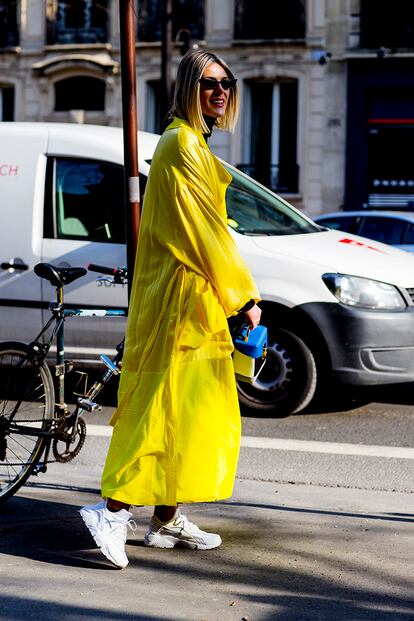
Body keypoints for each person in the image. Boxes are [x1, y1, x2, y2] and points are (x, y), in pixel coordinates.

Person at [80, 49, 261, 569]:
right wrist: (243, 296)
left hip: (193, 301)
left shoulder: (194, 142)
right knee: (158, 411)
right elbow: (202, 233)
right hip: (177, 303)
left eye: (226, 82)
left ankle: (165, 519)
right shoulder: (181, 143)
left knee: (189, 414)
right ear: (188, 88)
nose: (220, 91)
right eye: (209, 84)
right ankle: (111, 511)